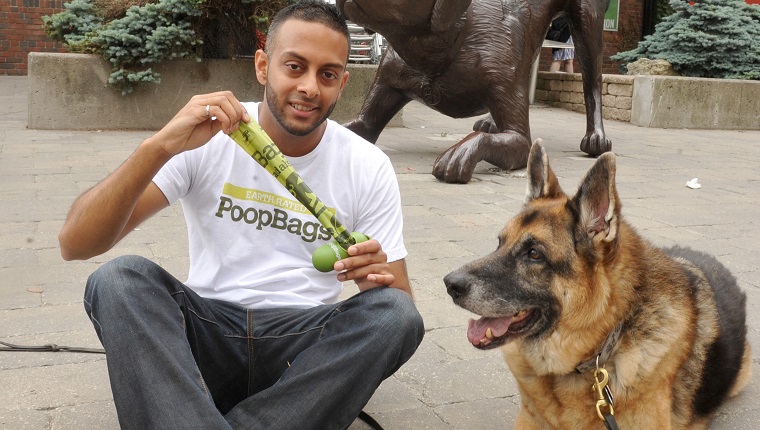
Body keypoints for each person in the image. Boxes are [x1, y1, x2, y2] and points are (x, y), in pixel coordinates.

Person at [57, 1, 424, 429]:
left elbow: (396, 305)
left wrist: (371, 274)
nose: (309, 87)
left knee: (395, 316)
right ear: (263, 66)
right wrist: (156, 148)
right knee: (119, 279)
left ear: (343, 83)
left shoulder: (366, 163)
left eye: (327, 74)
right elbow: (75, 243)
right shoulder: (210, 135)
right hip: (205, 339)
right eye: (294, 66)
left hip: (300, 355)